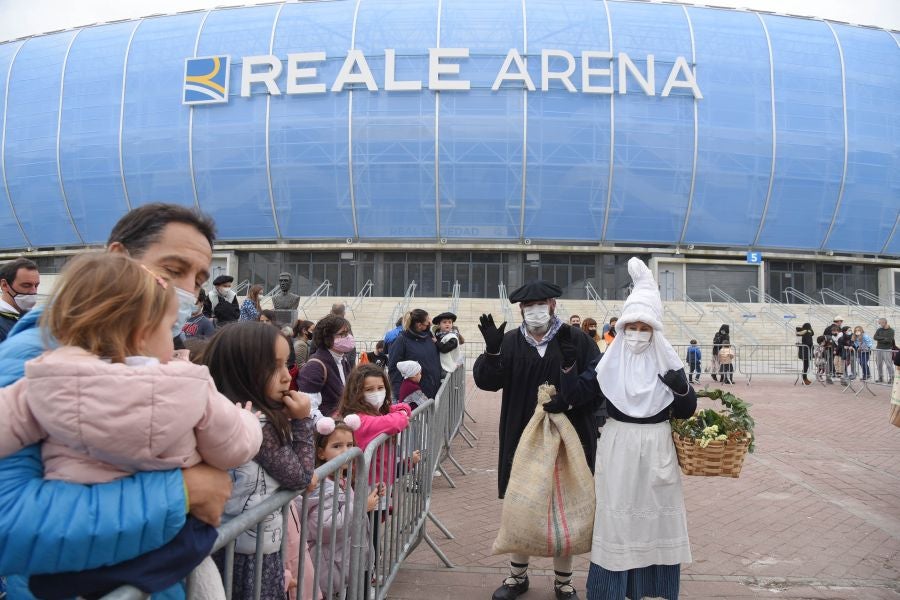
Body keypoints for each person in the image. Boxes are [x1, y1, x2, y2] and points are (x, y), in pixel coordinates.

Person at [0, 203, 232, 599]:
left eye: (198, 279)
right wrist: (184, 493)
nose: (187, 291)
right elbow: (7, 524)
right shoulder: (37, 355)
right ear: (118, 259)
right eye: (173, 270)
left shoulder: (149, 350)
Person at [573, 257, 696, 600]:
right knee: (617, 519)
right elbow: (583, 392)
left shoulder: (668, 362)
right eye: (632, 327)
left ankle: (652, 589)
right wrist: (567, 374)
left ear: (655, 330)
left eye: (645, 328)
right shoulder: (609, 362)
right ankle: (609, 592)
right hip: (619, 445)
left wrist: (681, 388)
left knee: (654, 520)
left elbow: (687, 409)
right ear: (622, 327)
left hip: (657, 446)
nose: (638, 334)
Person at [474, 280, 600, 600]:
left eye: (540, 304)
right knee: (523, 504)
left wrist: (569, 400)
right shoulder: (511, 342)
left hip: (568, 436)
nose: (535, 311)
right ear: (520, 310)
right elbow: (488, 382)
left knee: (566, 505)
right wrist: (491, 352)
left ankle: (564, 581)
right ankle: (517, 577)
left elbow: (597, 381)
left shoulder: (579, 341)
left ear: (553, 305)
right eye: (528, 307)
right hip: (522, 434)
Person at [203, 322, 317, 600]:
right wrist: (303, 421)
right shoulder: (258, 425)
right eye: (273, 367)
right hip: (248, 554)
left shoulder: (225, 413)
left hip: (235, 545)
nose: (286, 377)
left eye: (286, 364)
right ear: (240, 371)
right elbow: (300, 476)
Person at [305, 415, 383, 600]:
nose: (346, 452)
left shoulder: (341, 478)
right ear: (320, 453)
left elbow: (344, 507)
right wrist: (362, 507)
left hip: (342, 562)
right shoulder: (322, 486)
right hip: (328, 568)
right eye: (337, 446)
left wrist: (368, 498)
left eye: (350, 445)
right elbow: (326, 527)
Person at [297, 314, 353, 421]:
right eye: (342, 334)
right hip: (325, 431)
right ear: (327, 337)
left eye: (348, 333)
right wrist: (328, 424)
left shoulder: (343, 360)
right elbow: (308, 408)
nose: (348, 337)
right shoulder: (314, 366)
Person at [387, 309, 441, 402]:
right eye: (427, 321)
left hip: (433, 390)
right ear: (419, 325)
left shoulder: (428, 337)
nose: (430, 323)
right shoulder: (401, 341)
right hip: (415, 397)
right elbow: (394, 369)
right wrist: (400, 394)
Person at [0, 257, 40, 343]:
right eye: (26, 285)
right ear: (4, 285)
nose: (33, 291)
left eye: (36, 285)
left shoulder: (35, 317)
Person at [874, 318, 895, 384]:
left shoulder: (891, 330)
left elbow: (889, 340)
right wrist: (883, 338)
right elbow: (875, 337)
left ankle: (892, 378)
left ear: (884, 322)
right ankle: (880, 377)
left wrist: (880, 339)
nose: (879, 324)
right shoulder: (879, 329)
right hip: (879, 349)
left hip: (887, 349)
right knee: (879, 364)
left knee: (889, 364)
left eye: (880, 323)